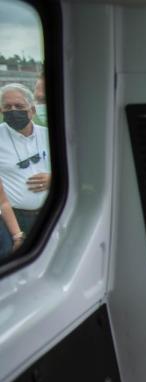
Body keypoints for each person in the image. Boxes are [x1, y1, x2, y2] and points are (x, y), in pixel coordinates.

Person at [0, 83, 50, 254]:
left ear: (33, 110)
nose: (13, 111)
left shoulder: (49, 135)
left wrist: (53, 179)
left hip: (51, 211)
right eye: (7, 107)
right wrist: (17, 235)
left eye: (19, 106)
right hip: (14, 220)